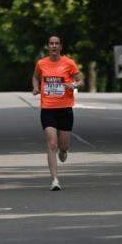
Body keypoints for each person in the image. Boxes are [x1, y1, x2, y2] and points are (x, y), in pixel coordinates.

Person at [32, 35, 84, 190]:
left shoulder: (69, 63)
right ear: (48, 46)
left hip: (65, 109)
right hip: (47, 108)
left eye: (56, 43)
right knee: (52, 143)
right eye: (51, 43)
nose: (54, 46)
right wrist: (35, 87)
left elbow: (81, 80)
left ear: (61, 46)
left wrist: (74, 85)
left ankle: (64, 152)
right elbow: (35, 77)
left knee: (63, 146)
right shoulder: (41, 63)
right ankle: (54, 180)